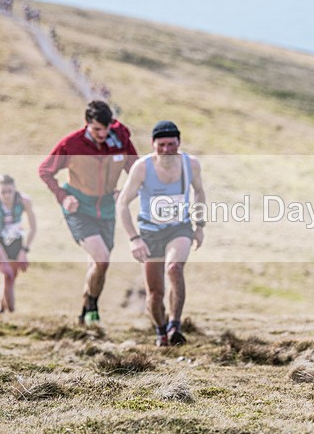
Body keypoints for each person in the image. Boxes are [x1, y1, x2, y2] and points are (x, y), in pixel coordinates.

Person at [38, 100, 138, 326]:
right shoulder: (71, 144)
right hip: (79, 208)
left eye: (106, 128)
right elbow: (45, 170)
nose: (102, 134)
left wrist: (125, 193)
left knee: (98, 264)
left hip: (107, 209)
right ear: (87, 124)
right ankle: (92, 306)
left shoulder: (120, 139)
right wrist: (63, 197)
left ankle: (86, 310)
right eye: (96, 129)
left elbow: (137, 170)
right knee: (101, 260)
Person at [116, 121, 206, 346]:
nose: (166, 150)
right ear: (153, 144)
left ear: (179, 142)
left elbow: (200, 192)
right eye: (161, 145)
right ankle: (161, 330)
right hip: (150, 232)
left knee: (174, 268)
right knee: (155, 294)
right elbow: (123, 204)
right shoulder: (142, 167)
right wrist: (134, 239)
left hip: (180, 228)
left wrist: (200, 226)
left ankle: (175, 323)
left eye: (171, 144)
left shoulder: (191, 164)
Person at [0, 175, 37, 313]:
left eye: (10, 191)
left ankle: (1, 309)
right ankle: (12, 312)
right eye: (3, 192)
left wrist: (24, 251)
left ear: (15, 190)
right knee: (7, 274)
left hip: (15, 240)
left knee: (11, 277)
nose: (7, 195)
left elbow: (33, 228)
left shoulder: (24, 201)